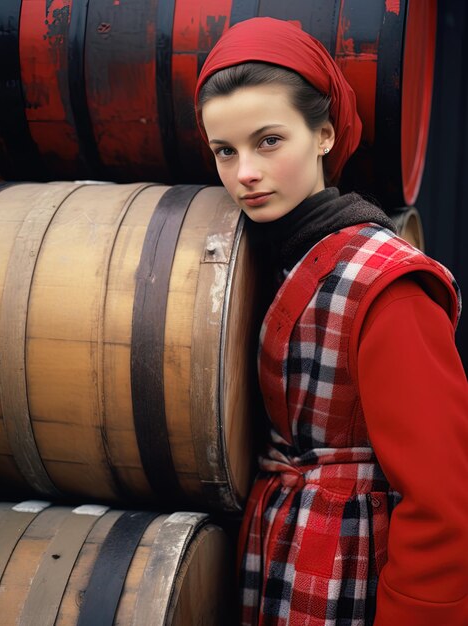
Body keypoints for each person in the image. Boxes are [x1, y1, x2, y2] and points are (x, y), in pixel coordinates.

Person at [194, 17, 468, 626]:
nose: (245, 174)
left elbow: (444, 502)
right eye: (225, 151)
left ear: (323, 134)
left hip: (351, 571)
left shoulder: (387, 283)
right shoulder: (233, 262)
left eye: (269, 141)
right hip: (273, 555)